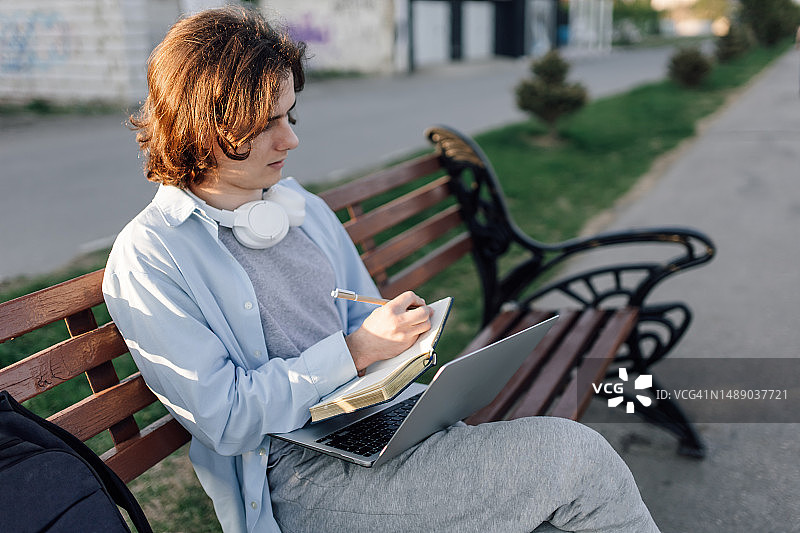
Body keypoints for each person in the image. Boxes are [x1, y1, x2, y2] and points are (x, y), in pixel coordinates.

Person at [103, 6, 661, 533]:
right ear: (201, 125)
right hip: (302, 477)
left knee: (560, 499)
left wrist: (401, 341)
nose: (291, 139)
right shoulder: (151, 257)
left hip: (388, 427)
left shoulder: (300, 209)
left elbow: (366, 324)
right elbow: (225, 418)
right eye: (264, 123)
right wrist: (357, 352)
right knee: (576, 461)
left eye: (289, 115)